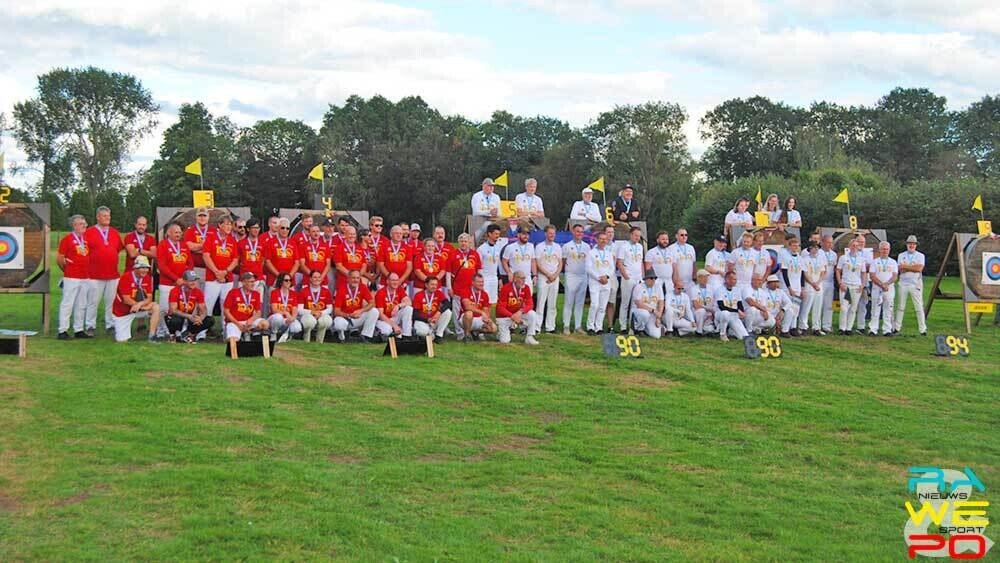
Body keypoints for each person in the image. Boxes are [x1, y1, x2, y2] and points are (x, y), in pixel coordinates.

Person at [84, 206, 124, 336]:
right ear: (98, 217)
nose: (107, 218)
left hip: (112, 274)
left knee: (111, 301)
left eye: (109, 216)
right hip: (94, 274)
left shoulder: (114, 232)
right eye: (104, 216)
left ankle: (110, 324)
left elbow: (117, 248)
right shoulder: (89, 232)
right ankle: (90, 325)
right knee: (93, 301)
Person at [156, 222, 194, 337]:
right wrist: (176, 278)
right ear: (169, 233)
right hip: (167, 283)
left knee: (181, 308)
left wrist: (186, 278)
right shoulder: (162, 245)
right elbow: (162, 266)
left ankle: (177, 331)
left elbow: (190, 263)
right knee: (164, 309)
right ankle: (161, 331)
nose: (178, 234)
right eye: (176, 232)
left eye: (180, 232)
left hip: (182, 284)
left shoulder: (184, 245)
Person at [111, 256, 160, 343]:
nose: (145, 270)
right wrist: (140, 306)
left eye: (147, 268)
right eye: (142, 267)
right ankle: (118, 328)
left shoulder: (147, 278)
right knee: (122, 341)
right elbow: (126, 299)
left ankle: (152, 336)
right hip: (123, 312)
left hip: (138, 308)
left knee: (156, 307)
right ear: (136, 268)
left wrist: (139, 305)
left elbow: (149, 298)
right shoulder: (126, 277)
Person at [57, 215, 91, 339]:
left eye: (85, 223)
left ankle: (79, 329)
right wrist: (67, 270)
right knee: (67, 303)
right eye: (82, 223)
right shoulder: (67, 239)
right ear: (74, 225)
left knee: (82, 304)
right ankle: (62, 330)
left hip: (85, 276)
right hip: (72, 276)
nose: (84, 225)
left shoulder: (85, 239)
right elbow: (60, 258)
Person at [202, 215, 239, 333]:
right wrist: (217, 272)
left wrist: (225, 271)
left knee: (226, 306)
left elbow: (235, 260)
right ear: (219, 225)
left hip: (227, 278)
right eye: (226, 224)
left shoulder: (232, 240)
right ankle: (201, 332)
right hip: (212, 278)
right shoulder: (211, 237)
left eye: (230, 224)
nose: (229, 227)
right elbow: (206, 256)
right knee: (208, 305)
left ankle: (226, 332)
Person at [447, 233, 482, 338]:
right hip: (457, 287)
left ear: (469, 243)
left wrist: (480, 284)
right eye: (461, 241)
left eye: (465, 241)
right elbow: (448, 272)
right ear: (458, 243)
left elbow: (479, 270)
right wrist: (449, 287)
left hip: (471, 288)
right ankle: (460, 333)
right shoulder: (453, 254)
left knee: (472, 308)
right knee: (457, 310)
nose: (463, 243)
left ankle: (473, 329)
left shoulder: (475, 254)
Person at [166, 270, 214, 343]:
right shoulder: (175, 290)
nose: (193, 282)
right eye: (191, 280)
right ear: (184, 281)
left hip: (191, 317)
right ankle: (174, 335)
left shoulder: (198, 292)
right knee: (174, 320)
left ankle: (190, 335)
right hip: (179, 316)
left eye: (195, 280)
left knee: (210, 320)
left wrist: (200, 318)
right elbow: (173, 310)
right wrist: (189, 316)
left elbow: (204, 310)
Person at [894, 235, 927, 336]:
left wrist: (906, 266)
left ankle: (922, 329)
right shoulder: (901, 255)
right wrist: (912, 267)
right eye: (909, 244)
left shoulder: (920, 256)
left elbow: (919, 269)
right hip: (903, 283)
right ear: (907, 244)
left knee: (919, 307)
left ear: (916, 245)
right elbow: (900, 269)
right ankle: (896, 328)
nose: (911, 245)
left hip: (915, 283)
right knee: (900, 306)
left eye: (913, 244)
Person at [332, 270, 378, 342]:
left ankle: (365, 336)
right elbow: (336, 311)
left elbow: (372, 303)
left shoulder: (362, 287)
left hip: (357, 316)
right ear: (348, 278)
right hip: (345, 318)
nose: (355, 280)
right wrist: (349, 315)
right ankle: (341, 336)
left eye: (357, 278)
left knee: (374, 311)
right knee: (338, 324)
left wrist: (361, 311)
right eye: (353, 278)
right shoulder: (341, 289)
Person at [561, 224, 590, 334]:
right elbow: (563, 262)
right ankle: (566, 326)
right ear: (573, 232)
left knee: (580, 302)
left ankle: (578, 326)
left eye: (581, 232)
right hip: (571, 275)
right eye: (577, 231)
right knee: (569, 301)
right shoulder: (567, 246)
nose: (579, 234)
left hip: (583, 275)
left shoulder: (587, 247)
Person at [224, 272, 269, 341]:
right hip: (235, 322)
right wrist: (238, 324)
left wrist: (251, 320)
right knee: (233, 341)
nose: (253, 284)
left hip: (248, 322)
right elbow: (226, 312)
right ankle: (240, 335)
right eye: (251, 282)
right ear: (243, 282)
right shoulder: (233, 292)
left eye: (254, 281)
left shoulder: (256, 294)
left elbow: (258, 312)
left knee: (265, 324)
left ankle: (251, 335)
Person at [496, 270, 538, 345]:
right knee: (505, 341)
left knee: (532, 314)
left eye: (524, 278)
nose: (524, 281)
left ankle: (530, 336)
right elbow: (500, 308)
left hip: (517, 314)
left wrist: (521, 311)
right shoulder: (506, 288)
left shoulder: (526, 288)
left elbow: (530, 304)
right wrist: (512, 316)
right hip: (505, 316)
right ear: (515, 279)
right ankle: (500, 333)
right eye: (521, 278)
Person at [836, 236, 868, 335]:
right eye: (853, 245)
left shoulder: (861, 259)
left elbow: (863, 273)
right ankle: (842, 328)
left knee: (853, 308)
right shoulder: (843, 258)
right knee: (844, 308)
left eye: (856, 246)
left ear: (858, 247)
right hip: (846, 285)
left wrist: (863, 284)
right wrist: (840, 283)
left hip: (856, 286)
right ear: (849, 246)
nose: (854, 247)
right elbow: (838, 271)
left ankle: (849, 328)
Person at [533, 225, 562, 333]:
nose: (552, 236)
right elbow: (538, 263)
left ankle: (551, 327)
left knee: (552, 304)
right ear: (545, 234)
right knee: (540, 303)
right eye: (550, 233)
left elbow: (560, 263)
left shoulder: (558, 247)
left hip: (555, 278)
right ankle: (537, 327)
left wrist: (555, 275)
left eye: (553, 234)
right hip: (543, 277)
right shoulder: (539, 247)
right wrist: (547, 274)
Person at [616, 226, 644, 334]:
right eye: (636, 235)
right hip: (628, 277)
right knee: (625, 302)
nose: (637, 238)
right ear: (631, 235)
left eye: (639, 236)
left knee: (635, 303)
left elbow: (640, 262)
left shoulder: (640, 247)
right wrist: (626, 276)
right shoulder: (624, 247)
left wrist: (642, 276)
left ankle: (632, 327)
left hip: (638, 278)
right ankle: (623, 326)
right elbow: (620, 263)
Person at [586, 231, 615, 334]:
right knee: (594, 304)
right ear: (597, 240)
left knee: (603, 306)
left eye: (605, 239)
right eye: (601, 239)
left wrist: (606, 276)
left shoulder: (609, 253)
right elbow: (588, 268)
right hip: (595, 282)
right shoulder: (591, 253)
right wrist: (598, 277)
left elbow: (612, 268)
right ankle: (590, 326)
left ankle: (598, 327)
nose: (603, 241)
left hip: (606, 282)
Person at [868, 241, 898, 336]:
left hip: (889, 289)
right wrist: (881, 284)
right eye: (883, 249)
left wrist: (887, 284)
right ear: (879, 249)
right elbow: (872, 275)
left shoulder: (893, 262)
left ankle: (887, 330)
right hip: (877, 288)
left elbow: (895, 276)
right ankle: (873, 329)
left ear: (889, 250)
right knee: (875, 309)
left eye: (887, 249)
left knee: (888, 309)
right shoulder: (875, 261)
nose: (885, 251)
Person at [298, 269, 335, 343]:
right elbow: (299, 309)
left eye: (319, 277)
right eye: (315, 277)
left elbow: (330, 308)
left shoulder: (326, 291)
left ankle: (319, 341)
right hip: (308, 315)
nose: (317, 279)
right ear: (310, 279)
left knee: (327, 320)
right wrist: (311, 312)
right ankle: (306, 340)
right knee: (309, 321)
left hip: (321, 314)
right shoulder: (303, 291)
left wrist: (321, 313)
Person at [777, 236, 804, 336]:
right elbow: (784, 273)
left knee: (796, 308)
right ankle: (784, 328)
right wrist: (789, 287)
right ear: (789, 246)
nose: (795, 248)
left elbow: (802, 274)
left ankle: (793, 327)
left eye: (797, 246)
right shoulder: (786, 257)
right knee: (788, 307)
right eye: (793, 246)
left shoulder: (800, 258)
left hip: (797, 286)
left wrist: (802, 287)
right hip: (787, 286)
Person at [412, 276, 452, 342]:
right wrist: (427, 320)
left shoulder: (438, 293)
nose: (434, 286)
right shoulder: (418, 295)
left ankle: (438, 335)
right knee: (422, 332)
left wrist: (439, 311)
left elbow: (448, 304)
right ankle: (429, 334)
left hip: (434, 320)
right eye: (432, 284)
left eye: (436, 284)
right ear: (426, 285)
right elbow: (415, 315)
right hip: (423, 321)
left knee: (448, 312)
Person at [237, 219, 268, 303]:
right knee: (243, 302)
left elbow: (263, 260)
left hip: (258, 278)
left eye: (257, 228)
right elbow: (237, 261)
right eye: (253, 228)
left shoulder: (263, 243)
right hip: (244, 278)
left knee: (258, 303)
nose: (256, 230)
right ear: (248, 229)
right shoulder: (241, 243)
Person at [375, 272, 413, 338]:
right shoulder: (380, 293)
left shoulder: (399, 289)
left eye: (397, 280)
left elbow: (409, 302)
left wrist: (398, 306)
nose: (395, 282)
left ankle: (407, 335)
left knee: (408, 309)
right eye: (393, 280)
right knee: (387, 331)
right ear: (387, 281)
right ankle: (380, 331)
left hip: (394, 317)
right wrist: (394, 325)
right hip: (384, 320)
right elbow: (380, 315)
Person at [460, 274, 497, 342]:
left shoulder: (484, 294)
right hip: (466, 318)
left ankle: (475, 332)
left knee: (494, 328)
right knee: (469, 313)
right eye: (479, 282)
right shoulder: (465, 290)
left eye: (482, 282)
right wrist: (481, 312)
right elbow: (467, 306)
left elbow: (486, 310)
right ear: (473, 282)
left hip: (478, 318)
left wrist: (487, 318)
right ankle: (467, 335)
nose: (481, 284)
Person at [714, 271, 749, 342]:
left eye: (736, 279)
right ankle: (722, 333)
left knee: (744, 337)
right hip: (720, 313)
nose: (735, 281)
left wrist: (742, 312)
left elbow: (739, 304)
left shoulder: (737, 290)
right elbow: (721, 307)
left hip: (733, 315)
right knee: (725, 313)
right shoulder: (719, 290)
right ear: (727, 279)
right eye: (734, 279)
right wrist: (737, 311)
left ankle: (731, 330)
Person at [264, 218, 299, 287]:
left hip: (290, 281)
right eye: (282, 228)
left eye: (287, 228)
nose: (285, 230)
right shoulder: (270, 242)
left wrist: (288, 277)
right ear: (278, 228)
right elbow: (267, 262)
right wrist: (280, 276)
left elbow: (297, 262)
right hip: (274, 279)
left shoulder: (293, 243)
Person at [801, 241, 827, 335]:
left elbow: (823, 272)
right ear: (809, 248)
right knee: (807, 306)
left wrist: (818, 282)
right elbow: (805, 273)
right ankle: (803, 327)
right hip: (809, 284)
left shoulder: (820, 259)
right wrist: (813, 283)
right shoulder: (805, 259)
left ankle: (816, 327)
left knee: (818, 306)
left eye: (817, 247)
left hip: (818, 284)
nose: (815, 249)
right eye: (813, 247)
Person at [267, 273, 302, 343]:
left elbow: (295, 310)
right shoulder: (274, 292)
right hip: (275, 317)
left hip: (288, 318)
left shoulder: (293, 293)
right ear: (281, 281)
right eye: (286, 280)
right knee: (278, 317)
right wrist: (285, 313)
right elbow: (274, 310)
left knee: (297, 328)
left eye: (290, 280)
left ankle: (287, 336)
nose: (289, 282)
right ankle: (274, 333)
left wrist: (292, 318)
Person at [477, 224, 507, 303]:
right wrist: (480, 280)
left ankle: (490, 316)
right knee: (484, 301)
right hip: (485, 278)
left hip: (494, 278)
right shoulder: (481, 249)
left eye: (498, 234)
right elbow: (478, 267)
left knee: (493, 302)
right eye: (496, 234)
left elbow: (497, 265)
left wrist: (500, 279)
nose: (498, 236)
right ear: (489, 234)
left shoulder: (497, 248)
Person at [631, 270, 664, 338]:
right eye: (651, 278)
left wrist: (658, 317)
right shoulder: (639, 287)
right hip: (639, 311)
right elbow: (639, 304)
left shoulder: (658, 287)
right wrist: (653, 310)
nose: (653, 280)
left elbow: (661, 301)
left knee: (656, 335)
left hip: (652, 314)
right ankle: (638, 329)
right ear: (646, 279)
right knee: (644, 314)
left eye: (654, 278)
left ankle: (647, 328)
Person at [378, 225, 414, 289]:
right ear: (391, 234)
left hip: (402, 282)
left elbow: (409, 266)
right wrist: (390, 277)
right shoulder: (383, 246)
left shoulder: (407, 247)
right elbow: (381, 264)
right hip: (386, 281)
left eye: (400, 233)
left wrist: (401, 280)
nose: (399, 235)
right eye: (396, 233)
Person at [184, 207, 214, 280]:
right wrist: (206, 246)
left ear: (208, 217)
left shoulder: (214, 231)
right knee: (195, 291)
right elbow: (189, 247)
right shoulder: (190, 231)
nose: (202, 218)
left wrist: (197, 248)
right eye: (200, 215)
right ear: (196, 217)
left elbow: (214, 249)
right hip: (195, 268)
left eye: (204, 216)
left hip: (211, 268)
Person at [299, 223, 331, 290]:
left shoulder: (325, 245)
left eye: (317, 231)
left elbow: (328, 265)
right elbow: (302, 265)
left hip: (323, 281)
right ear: (309, 233)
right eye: (313, 231)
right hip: (307, 280)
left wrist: (320, 277)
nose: (316, 233)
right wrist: (313, 276)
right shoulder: (303, 246)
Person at [644, 231, 674, 295]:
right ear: (657, 240)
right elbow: (648, 268)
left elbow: (674, 267)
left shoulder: (671, 252)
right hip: (657, 281)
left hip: (669, 281)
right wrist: (650, 281)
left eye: (666, 239)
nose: (665, 241)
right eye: (663, 239)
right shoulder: (651, 252)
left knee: (669, 300)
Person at [819, 235, 838, 334]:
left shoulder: (834, 254)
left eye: (831, 243)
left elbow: (835, 269)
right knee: (819, 304)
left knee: (829, 305)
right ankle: (817, 325)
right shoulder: (818, 253)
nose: (829, 244)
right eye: (828, 242)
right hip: (820, 281)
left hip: (830, 282)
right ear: (822, 242)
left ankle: (827, 325)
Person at [689, 270, 716, 336]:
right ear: (699, 278)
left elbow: (715, 303)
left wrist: (711, 314)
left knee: (709, 330)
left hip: (710, 315)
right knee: (701, 311)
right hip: (698, 313)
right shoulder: (693, 289)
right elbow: (696, 305)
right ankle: (699, 331)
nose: (706, 279)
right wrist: (708, 309)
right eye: (704, 277)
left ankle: (708, 328)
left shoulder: (711, 288)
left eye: (707, 277)